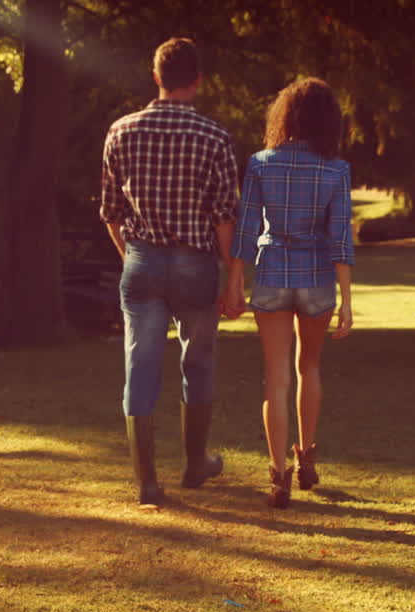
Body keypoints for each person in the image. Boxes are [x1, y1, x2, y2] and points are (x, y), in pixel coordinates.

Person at [100, 38, 239, 505]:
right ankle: (195, 463)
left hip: (141, 259)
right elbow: (224, 216)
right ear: (197, 80)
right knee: (196, 363)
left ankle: (146, 483)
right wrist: (231, 277)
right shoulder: (215, 137)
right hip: (195, 264)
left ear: (156, 77)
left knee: (139, 365)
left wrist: (131, 256)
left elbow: (111, 212)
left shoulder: (121, 131)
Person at [223, 78, 354, 510]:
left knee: (276, 377)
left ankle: (278, 476)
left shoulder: (261, 163)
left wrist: (235, 279)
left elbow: (245, 227)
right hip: (316, 279)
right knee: (309, 366)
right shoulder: (336, 170)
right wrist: (347, 301)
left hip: (274, 274)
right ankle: (307, 457)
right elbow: (339, 240)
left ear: (285, 116)